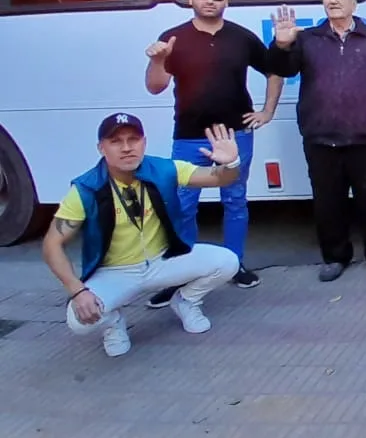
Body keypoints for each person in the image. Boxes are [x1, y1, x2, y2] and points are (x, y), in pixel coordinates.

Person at [42, 114, 242, 357]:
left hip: (163, 260)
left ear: (144, 143)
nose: (126, 148)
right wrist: (78, 291)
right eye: (116, 141)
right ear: (101, 148)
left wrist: (231, 163)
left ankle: (186, 301)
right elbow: (52, 244)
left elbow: (221, 178)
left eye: (133, 139)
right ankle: (113, 322)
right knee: (78, 319)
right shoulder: (86, 189)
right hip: (116, 272)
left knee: (228, 261)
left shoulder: (164, 169)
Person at [142, 0, 281, 304]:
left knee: (234, 201)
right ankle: (181, 273)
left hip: (236, 136)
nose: (209, 0)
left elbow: (275, 70)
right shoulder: (173, 38)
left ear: (226, 2)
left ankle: (234, 265)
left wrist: (267, 111)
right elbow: (155, 86)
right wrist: (158, 59)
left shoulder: (241, 38)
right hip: (189, 137)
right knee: (184, 206)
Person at [266, 0, 366, 282]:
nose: (333, 1)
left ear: (353, 2)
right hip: (321, 138)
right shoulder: (306, 39)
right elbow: (283, 69)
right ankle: (334, 257)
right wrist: (281, 45)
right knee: (328, 202)